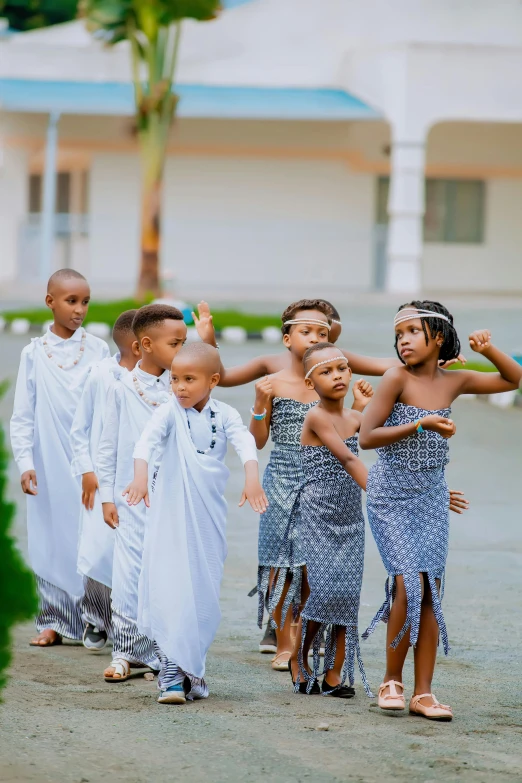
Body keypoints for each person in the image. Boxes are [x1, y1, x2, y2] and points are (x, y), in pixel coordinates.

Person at [359, 300, 522, 721]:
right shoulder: (395, 378)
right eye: (398, 335)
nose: (403, 342)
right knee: (408, 582)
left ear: (437, 336)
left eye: (412, 332)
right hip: (390, 495)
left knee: (430, 589)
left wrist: (488, 351)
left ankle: (423, 692)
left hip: (430, 497)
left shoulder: (454, 381)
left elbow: (513, 379)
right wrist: (419, 424)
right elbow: (367, 436)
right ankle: (390, 681)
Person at [124, 343, 267, 704]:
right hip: (170, 517)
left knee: (203, 593)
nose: (180, 387)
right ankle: (171, 678)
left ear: (213, 381)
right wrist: (140, 478)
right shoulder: (169, 412)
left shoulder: (226, 414)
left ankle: (193, 672)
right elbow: (144, 444)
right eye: (175, 379)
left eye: (189, 379)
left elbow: (246, 443)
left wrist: (252, 478)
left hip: (208, 519)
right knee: (171, 586)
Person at [10, 269, 110, 647]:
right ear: (50, 301)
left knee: (92, 535)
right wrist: (26, 463)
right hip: (48, 460)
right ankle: (53, 619)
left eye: (85, 301)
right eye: (71, 301)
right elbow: (22, 414)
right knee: (50, 537)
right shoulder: (34, 353)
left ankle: (97, 619)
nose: (80, 309)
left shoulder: (99, 349)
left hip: (91, 461)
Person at [97, 304, 188, 683]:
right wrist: (106, 495)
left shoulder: (182, 388)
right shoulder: (120, 386)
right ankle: (123, 652)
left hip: (172, 497)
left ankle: (163, 652)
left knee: (165, 571)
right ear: (145, 344)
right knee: (128, 571)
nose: (183, 351)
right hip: (129, 498)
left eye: (185, 342)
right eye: (175, 343)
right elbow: (107, 443)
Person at [290, 343, 373, 698]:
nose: (336, 376)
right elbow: (347, 458)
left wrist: (363, 408)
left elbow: (374, 439)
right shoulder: (316, 417)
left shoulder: (356, 418)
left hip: (351, 516)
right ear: (311, 383)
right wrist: (383, 495)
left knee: (347, 593)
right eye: (326, 372)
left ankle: (335, 671)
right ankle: (298, 658)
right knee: (324, 591)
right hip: (318, 515)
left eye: (341, 368)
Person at [70, 309, 140, 651]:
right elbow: (79, 428)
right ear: (140, 345)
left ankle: (134, 628)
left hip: (141, 478)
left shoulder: (163, 379)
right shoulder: (100, 374)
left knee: (135, 552)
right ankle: (96, 618)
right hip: (101, 476)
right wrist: (86, 470)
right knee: (99, 549)